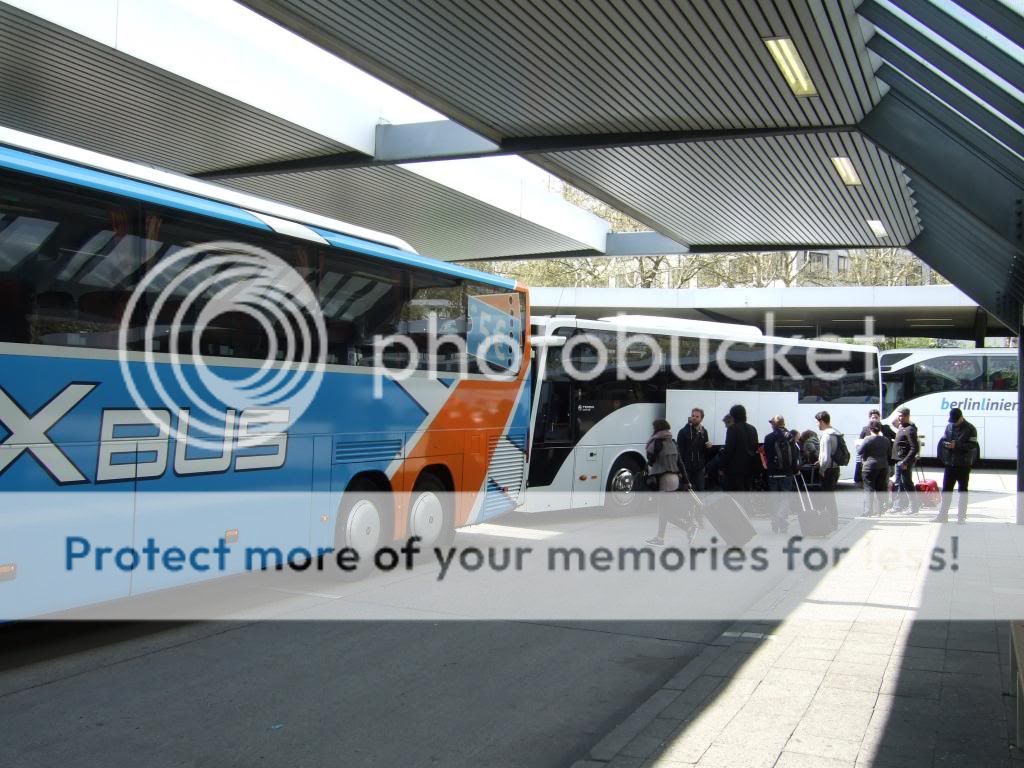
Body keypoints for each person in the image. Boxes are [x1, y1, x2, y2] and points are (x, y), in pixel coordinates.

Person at [643, 420, 694, 547]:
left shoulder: (656, 442)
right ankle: (660, 538)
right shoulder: (672, 442)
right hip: (674, 479)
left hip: (664, 480)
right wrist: (687, 481)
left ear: (656, 428)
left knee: (665, 512)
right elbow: (680, 463)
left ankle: (688, 527)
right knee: (664, 510)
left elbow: (651, 461)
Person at [933, 407, 979, 524]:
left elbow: (973, 445)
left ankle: (961, 517)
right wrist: (946, 444)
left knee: (962, 491)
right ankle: (943, 515)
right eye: (952, 421)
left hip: (963, 464)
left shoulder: (970, 428)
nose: (954, 423)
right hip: (950, 463)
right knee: (946, 491)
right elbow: (943, 440)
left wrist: (957, 445)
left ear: (961, 417)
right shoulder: (949, 426)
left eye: (955, 421)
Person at [763, 415, 798, 533]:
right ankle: (782, 522)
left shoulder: (768, 437)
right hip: (787, 473)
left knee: (774, 499)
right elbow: (794, 456)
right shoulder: (790, 436)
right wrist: (795, 470)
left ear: (774, 424)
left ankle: (775, 522)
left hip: (773, 473)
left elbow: (767, 455)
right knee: (785, 498)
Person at [720, 404, 759, 492]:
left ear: (733, 415)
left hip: (735, 470)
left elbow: (729, 450)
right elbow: (755, 447)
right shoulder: (753, 428)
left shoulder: (732, 429)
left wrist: (722, 467)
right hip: (750, 468)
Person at [815, 410, 843, 530]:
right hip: (835, 468)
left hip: (828, 470)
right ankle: (832, 522)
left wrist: (821, 469)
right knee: (830, 497)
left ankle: (830, 523)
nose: (816, 424)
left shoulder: (826, 436)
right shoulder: (836, 432)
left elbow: (826, 458)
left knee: (827, 498)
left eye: (817, 422)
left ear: (821, 421)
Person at [890, 406, 920, 515]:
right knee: (899, 483)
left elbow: (914, 448)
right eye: (898, 416)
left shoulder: (910, 429)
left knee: (907, 483)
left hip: (904, 461)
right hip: (899, 460)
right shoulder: (900, 426)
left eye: (901, 416)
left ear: (907, 416)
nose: (899, 418)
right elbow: (893, 421)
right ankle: (898, 506)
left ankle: (913, 507)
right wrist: (898, 415)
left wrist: (905, 462)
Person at [858, 423, 891, 517]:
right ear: (880, 429)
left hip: (869, 466)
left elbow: (859, 451)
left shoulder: (867, 439)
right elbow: (889, 453)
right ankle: (880, 511)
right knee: (881, 488)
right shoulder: (886, 440)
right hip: (883, 466)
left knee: (869, 488)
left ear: (870, 429)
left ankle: (869, 511)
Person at [856, 408, 896, 485]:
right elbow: (860, 444)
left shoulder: (886, 428)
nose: (875, 419)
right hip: (869, 462)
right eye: (873, 417)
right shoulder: (865, 429)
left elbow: (896, 438)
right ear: (869, 419)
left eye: (876, 417)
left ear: (879, 418)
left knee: (883, 484)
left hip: (885, 461)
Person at [676, 407, 711, 492]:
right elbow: (679, 452)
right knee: (686, 492)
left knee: (700, 491)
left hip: (699, 468)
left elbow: (705, 452)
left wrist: (708, 447)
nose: (694, 418)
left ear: (701, 419)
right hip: (686, 468)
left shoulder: (704, 432)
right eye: (693, 415)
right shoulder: (683, 432)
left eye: (697, 416)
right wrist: (680, 469)